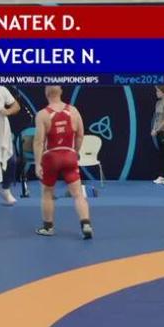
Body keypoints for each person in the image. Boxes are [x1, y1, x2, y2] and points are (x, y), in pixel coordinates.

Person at [32, 85, 93, 239]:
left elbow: (39, 141)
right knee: (78, 194)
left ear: (46, 93)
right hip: (69, 155)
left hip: (51, 158)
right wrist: (75, 152)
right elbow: (80, 135)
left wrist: (38, 163)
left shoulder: (42, 115)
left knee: (47, 193)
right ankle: (86, 224)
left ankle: (48, 227)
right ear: (61, 92)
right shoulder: (73, 111)